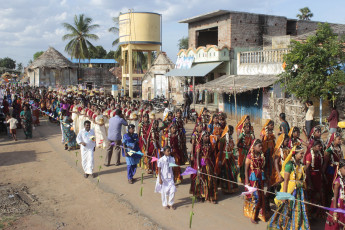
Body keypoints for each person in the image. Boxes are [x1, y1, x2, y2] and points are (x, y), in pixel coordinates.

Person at [268, 146, 310, 230]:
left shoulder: (301, 165)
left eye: (303, 153)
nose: (302, 155)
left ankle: (296, 226)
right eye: (301, 153)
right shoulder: (289, 165)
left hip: (299, 192)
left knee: (298, 210)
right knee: (286, 210)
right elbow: (286, 181)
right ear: (295, 154)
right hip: (291, 192)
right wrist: (284, 196)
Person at [244, 139, 268, 224]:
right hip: (252, 180)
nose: (261, 148)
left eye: (261, 146)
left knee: (261, 197)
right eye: (259, 146)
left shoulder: (262, 156)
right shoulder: (250, 156)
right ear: (254, 147)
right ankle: (252, 216)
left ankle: (258, 214)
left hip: (260, 179)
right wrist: (247, 182)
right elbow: (246, 169)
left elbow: (263, 167)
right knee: (255, 198)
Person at [305, 140, 325, 219]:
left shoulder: (319, 155)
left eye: (320, 146)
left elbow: (321, 167)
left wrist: (323, 177)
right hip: (312, 177)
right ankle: (309, 215)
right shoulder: (309, 155)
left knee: (319, 195)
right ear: (313, 146)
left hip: (318, 177)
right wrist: (309, 182)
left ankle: (317, 213)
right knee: (311, 196)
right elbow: (307, 169)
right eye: (318, 146)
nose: (320, 148)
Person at [323, 132, 343, 207]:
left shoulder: (339, 148)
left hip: (339, 170)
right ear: (334, 139)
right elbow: (325, 163)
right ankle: (330, 206)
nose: (340, 141)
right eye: (338, 139)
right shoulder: (329, 150)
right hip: (331, 170)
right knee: (332, 188)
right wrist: (323, 174)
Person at [217, 125, 239, 194]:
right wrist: (220, 160)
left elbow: (232, 149)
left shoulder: (231, 139)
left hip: (230, 157)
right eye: (231, 131)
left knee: (234, 171)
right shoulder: (223, 139)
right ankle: (226, 189)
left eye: (232, 131)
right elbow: (220, 150)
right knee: (226, 173)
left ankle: (232, 187)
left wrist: (234, 156)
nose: (232, 132)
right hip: (224, 158)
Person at [325, 159, 345, 230]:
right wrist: (335, 213)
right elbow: (335, 198)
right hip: (338, 207)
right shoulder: (337, 182)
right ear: (339, 169)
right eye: (344, 168)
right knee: (336, 226)